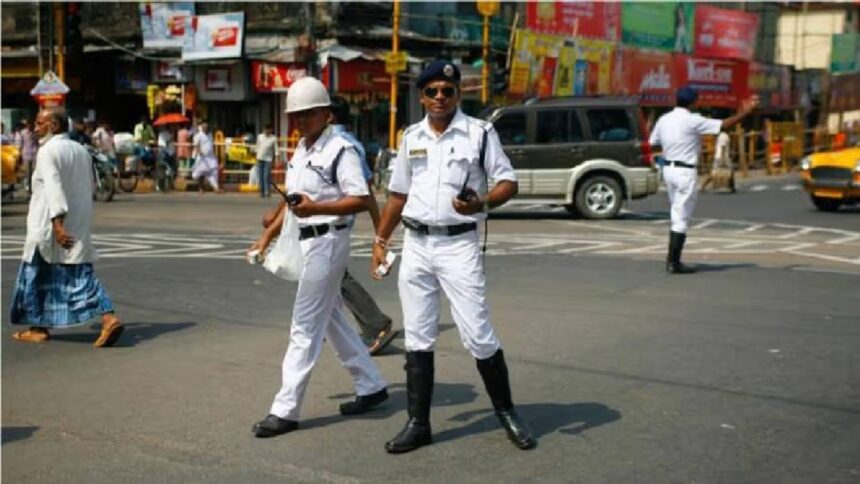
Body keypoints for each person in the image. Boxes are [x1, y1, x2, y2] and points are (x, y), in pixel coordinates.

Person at [371, 60, 535, 453]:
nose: (440, 97)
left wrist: (481, 202)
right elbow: (398, 194)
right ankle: (418, 423)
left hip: (459, 246)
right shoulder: (411, 137)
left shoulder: (479, 133)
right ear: (422, 96)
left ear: (458, 93)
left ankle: (507, 411)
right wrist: (380, 239)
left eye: (448, 90)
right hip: (416, 245)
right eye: (432, 91)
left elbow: (508, 182)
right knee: (418, 336)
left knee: (478, 333)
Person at [247, 76, 389, 439]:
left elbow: (361, 198)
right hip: (307, 240)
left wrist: (319, 209)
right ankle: (371, 384)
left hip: (329, 241)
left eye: (309, 113)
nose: (302, 120)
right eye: (296, 115)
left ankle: (285, 409)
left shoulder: (341, 149)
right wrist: (267, 235)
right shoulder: (302, 149)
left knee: (304, 325)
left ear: (327, 113)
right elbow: (294, 199)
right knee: (331, 319)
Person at [9, 107, 123, 347]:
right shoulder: (80, 150)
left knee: (70, 276)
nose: (35, 128)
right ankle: (38, 327)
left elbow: (54, 188)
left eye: (39, 123)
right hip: (76, 220)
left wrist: (58, 224)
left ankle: (108, 317)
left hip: (49, 223)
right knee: (44, 273)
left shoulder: (48, 151)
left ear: (54, 125)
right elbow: (87, 187)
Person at [649, 86, 758, 274]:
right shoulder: (693, 120)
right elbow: (724, 125)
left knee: (676, 212)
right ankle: (674, 262)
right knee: (681, 217)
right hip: (685, 171)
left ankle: (672, 260)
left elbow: (653, 142)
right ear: (693, 102)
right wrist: (746, 112)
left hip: (668, 169)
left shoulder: (664, 119)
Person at [329, 97, 397, 355]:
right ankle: (325, 326)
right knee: (327, 275)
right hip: (328, 218)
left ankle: (376, 324)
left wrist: (381, 234)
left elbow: (364, 193)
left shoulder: (341, 145)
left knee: (334, 274)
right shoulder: (344, 142)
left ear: (329, 116)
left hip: (332, 219)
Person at [191, 121, 221, 193]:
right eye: (204, 127)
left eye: (207, 127)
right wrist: (199, 151)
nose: (205, 128)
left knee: (214, 172)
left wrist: (215, 155)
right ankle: (200, 188)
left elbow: (211, 145)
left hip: (210, 157)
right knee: (200, 174)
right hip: (202, 157)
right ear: (202, 127)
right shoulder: (199, 135)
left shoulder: (210, 135)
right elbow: (196, 145)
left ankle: (216, 188)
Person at [14, 119, 38, 191]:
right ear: (27, 125)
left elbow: (38, 142)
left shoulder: (35, 132)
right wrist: (19, 154)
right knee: (27, 171)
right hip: (26, 154)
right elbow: (20, 144)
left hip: (34, 154)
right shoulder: (23, 133)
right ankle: (28, 185)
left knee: (34, 171)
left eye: (31, 125)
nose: (30, 126)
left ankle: (33, 185)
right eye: (29, 125)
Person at [254, 124, 277, 198]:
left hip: (268, 159)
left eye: (268, 129)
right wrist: (256, 157)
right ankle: (262, 192)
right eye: (265, 129)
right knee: (260, 176)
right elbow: (257, 147)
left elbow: (276, 149)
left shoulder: (273, 138)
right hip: (259, 158)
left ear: (271, 130)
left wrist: (276, 159)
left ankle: (267, 192)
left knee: (266, 176)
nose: (267, 131)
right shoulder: (260, 137)